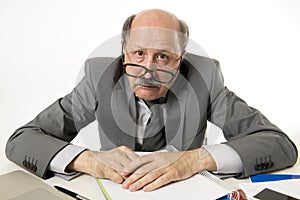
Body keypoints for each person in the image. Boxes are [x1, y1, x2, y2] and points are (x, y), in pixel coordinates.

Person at [6, 9, 298, 192]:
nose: (148, 70)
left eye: (163, 56)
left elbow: (278, 144)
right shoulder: (99, 76)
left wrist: (194, 159)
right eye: (138, 54)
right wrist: (88, 160)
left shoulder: (204, 76)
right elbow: (22, 140)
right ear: (124, 52)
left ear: (180, 59)